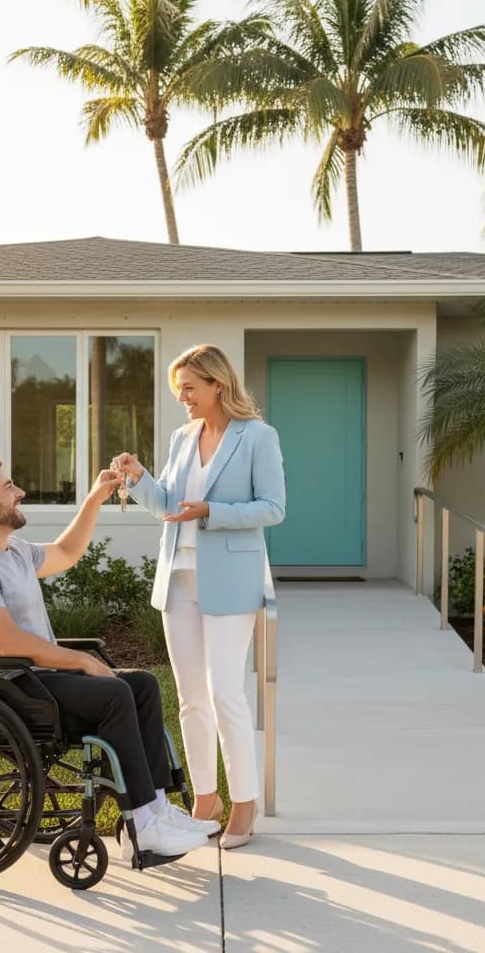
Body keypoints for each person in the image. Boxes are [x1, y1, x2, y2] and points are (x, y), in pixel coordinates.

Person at [0, 455, 218, 864]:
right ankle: (142, 819)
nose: (20, 493)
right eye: (8, 487)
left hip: (37, 678)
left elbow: (67, 552)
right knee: (113, 694)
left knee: (141, 684)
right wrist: (81, 661)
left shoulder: (12, 550)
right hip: (9, 688)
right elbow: (9, 642)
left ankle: (155, 809)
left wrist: (96, 497)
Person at [111, 344, 286, 849]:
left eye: (189, 387)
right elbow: (168, 503)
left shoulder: (258, 437)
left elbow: (272, 508)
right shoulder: (182, 438)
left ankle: (245, 802)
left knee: (225, 692)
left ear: (217, 385)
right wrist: (140, 478)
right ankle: (205, 799)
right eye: (179, 389)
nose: (183, 398)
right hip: (179, 578)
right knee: (190, 699)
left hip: (230, 579)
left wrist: (211, 511)